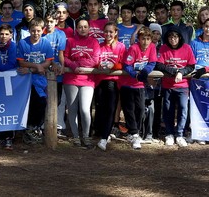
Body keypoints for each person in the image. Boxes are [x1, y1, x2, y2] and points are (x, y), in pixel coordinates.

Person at [155, 26, 196, 147]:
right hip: (168, 85)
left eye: (175, 37)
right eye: (170, 37)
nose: (173, 39)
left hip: (183, 86)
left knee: (183, 110)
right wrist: (174, 71)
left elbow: (191, 65)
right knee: (168, 110)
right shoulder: (163, 48)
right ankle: (169, 134)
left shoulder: (187, 48)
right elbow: (159, 65)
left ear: (179, 37)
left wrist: (181, 72)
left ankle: (179, 134)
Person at [16, 18, 54, 144]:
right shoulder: (23, 43)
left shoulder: (46, 43)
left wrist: (33, 69)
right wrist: (36, 66)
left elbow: (48, 61)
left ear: (42, 30)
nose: (36, 33)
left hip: (39, 79)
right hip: (25, 80)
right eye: (33, 31)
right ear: (29, 30)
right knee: (32, 103)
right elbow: (21, 62)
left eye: (38, 31)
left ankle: (33, 127)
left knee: (41, 103)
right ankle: (28, 129)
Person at [63, 19, 100, 147]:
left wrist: (79, 63)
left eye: (85, 26)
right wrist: (73, 65)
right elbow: (65, 57)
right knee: (72, 109)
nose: (83, 29)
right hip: (71, 78)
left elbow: (95, 60)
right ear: (76, 28)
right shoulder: (70, 41)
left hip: (87, 80)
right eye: (80, 27)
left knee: (84, 109)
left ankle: (86, 136)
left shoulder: (94, 42)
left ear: (89, 28)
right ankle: (75, 136)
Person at [121, 26, 157, 149]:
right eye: (143, 39)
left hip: (140, 84)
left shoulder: (152, 47)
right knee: (129, 109)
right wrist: (135, 74)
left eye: (148, 39)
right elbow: (127, 65)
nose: (145, 42)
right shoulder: (133, 48)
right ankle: (134, 133)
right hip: (128, 83)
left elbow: (152, 63)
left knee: (141, 109)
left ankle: (135, 132)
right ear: (138, 39)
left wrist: (145, 72)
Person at [95, 22, 126, 151]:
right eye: (106, 31)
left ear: (115, 33)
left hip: (113, 82)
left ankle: (104, 137)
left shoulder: (121, 46)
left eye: (111, 32)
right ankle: (102, 133)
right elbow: (95, 60)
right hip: (99, 81)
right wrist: (99, 65)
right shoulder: (99, 45)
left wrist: (113, 66)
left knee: (111, 109)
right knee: (100, 108)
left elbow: (124, 63)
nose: (108, 34)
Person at [43, 10, 67, 136]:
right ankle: (43, 125)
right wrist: (52, 63)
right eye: (47, 21)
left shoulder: (61, 34)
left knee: (57, 100)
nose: (49, 24)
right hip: (43, 71)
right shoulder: (41, 34)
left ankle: (56, 125)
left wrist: (62, 65)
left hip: (57, 72)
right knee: (44, 99)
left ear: (56, 22)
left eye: (51, 21)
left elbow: (61, 53)